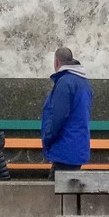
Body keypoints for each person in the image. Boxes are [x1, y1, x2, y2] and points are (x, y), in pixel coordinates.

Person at [40, 46, 93, 178]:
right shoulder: (84, 83)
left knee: (54, 193)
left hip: (64, 148)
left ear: (56, 62)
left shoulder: (65, 82)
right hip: (78, 146)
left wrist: (47, 138)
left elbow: (58, 116)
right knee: (70, 193)